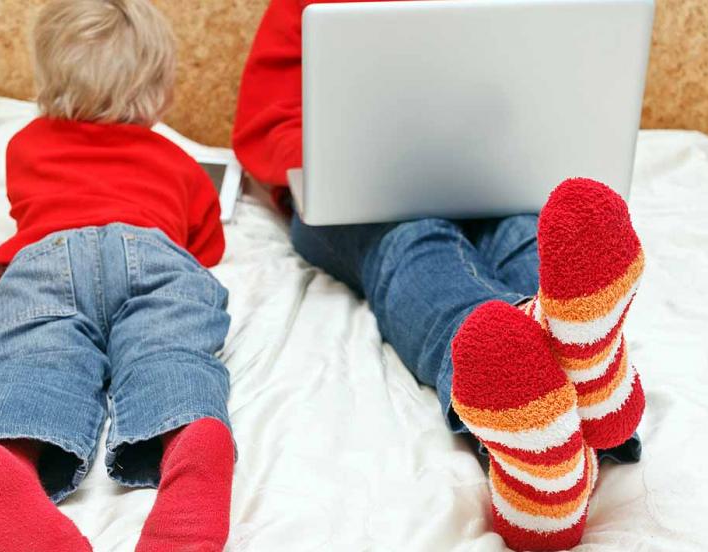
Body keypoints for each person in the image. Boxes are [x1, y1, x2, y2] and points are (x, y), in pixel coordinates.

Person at [233, 1, 645, 549]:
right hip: (366, 198)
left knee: (534, 230)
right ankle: (577, 383)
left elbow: (554, 84)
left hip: (499, 171)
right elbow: (265, 123)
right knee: (413, 244)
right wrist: (359, 156)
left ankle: (546, 444)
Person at [0, 1, 233, 550]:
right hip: (153, 254)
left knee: (37, 364)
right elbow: (206, 248)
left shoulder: (25, 146)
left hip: (46, 260)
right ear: (160, 90)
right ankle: (190, 432)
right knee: (169, 355)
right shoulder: (181, 163)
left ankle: (5, 454)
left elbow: (26, 206)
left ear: (48, 78)